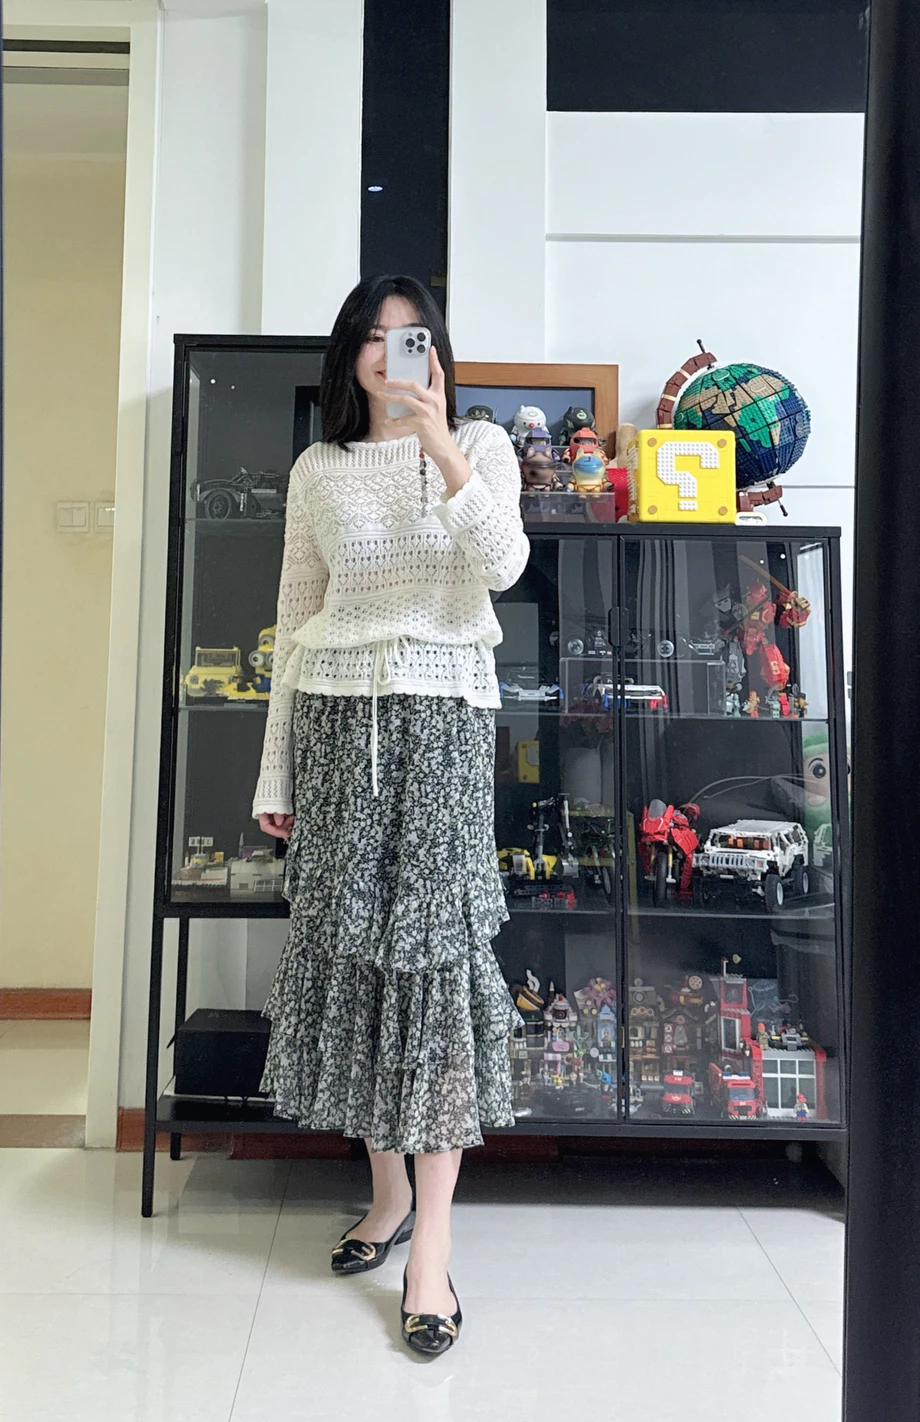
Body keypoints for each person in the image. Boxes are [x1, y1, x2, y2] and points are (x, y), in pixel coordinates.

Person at [252, 274, 529, 1356]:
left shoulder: (483, 448)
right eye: (372, 336)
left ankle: (432, 1250)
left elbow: (503, 565)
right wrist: (273, 776)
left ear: (437, 353)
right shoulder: (316, 469)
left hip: (443, 729)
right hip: (334, 728)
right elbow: (292, 619)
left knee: (435, 967)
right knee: (357, 963)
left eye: (410, 338)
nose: (389, 353)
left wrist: (443, 445)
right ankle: (386, 1196)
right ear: (349, 354)